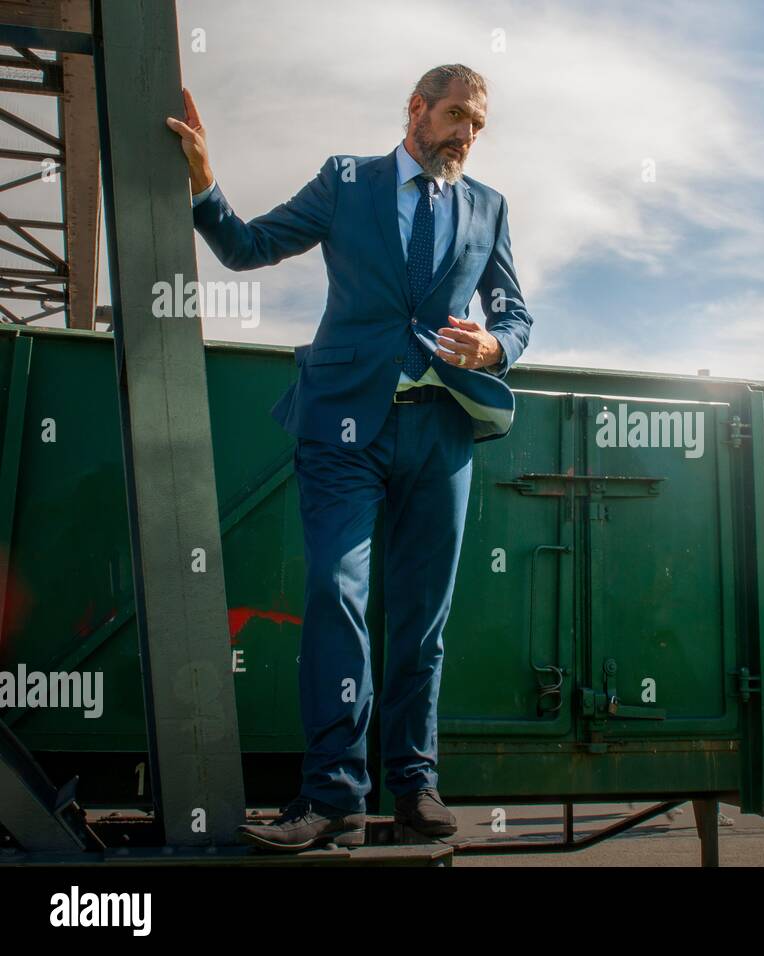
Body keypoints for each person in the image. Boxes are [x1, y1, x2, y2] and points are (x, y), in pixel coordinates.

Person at [167, 64, 533, 852]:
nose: (467, 135)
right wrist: (205, 186)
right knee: (336, 587)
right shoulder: (346, 181)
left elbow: (515, 314)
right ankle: (332, 791)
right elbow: (249, 245)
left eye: (479, 124)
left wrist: (496, 343)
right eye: (457, 116)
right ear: (417, 110)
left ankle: (413, 784)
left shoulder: (489, 207)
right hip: (343, 428)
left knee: (422, 617)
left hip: (439, 431)